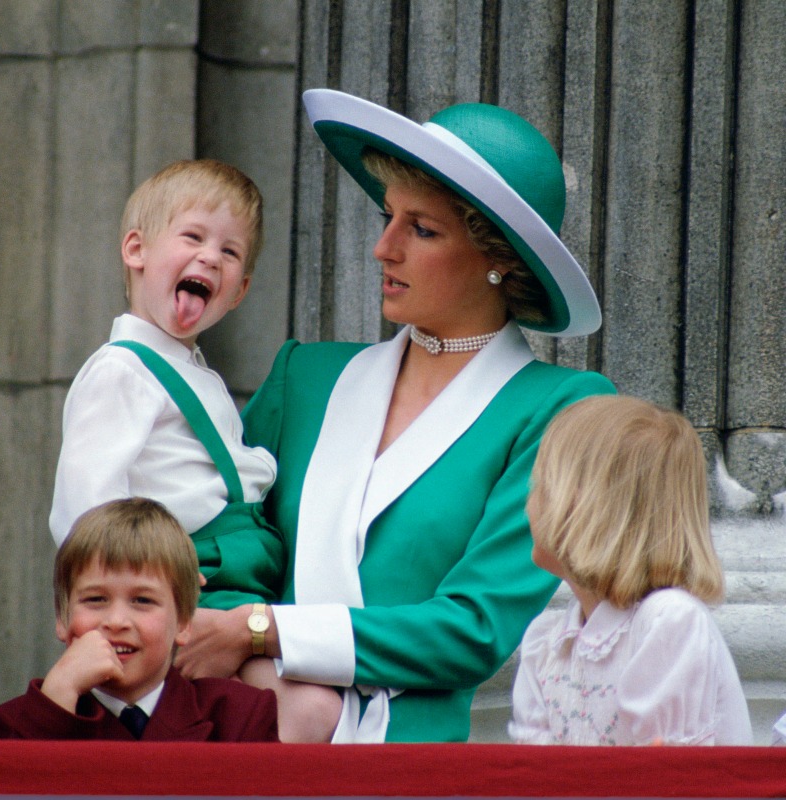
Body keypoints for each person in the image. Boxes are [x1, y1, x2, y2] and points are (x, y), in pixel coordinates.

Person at [174, 88, 615, 743]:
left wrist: (263, 631)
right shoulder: (306, 375)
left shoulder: (561, 410)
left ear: (500, 258)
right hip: (247, 737)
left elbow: (474, 629)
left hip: (412, 766)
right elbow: (224, 547)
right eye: (388, 216)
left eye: (422, 229)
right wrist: (243, 648)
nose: (383, 248)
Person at [47, 159, 341, 742]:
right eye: (193, 237)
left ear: (241, 291)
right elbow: (83, 510)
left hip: (239, 583)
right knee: (310, 713)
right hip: (193, 585)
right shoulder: (121, 370)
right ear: (136, 250)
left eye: (231, 254)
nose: (211, 257)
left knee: (307, 705)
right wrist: (128, 608)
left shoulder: (194, 371)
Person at [508, 395, 753, 746]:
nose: (527, 505)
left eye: (539, 487)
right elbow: (533, 778)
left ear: (582, 505)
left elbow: (664, 781)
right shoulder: (547, 642)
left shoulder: (668, 621)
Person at [0, 498, 279, 741]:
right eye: (95, 599)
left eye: (142, 600)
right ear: (62, 617)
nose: (116, 621)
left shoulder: (240, 717)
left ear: (184, 623)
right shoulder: (5, 728)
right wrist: (56, 700)